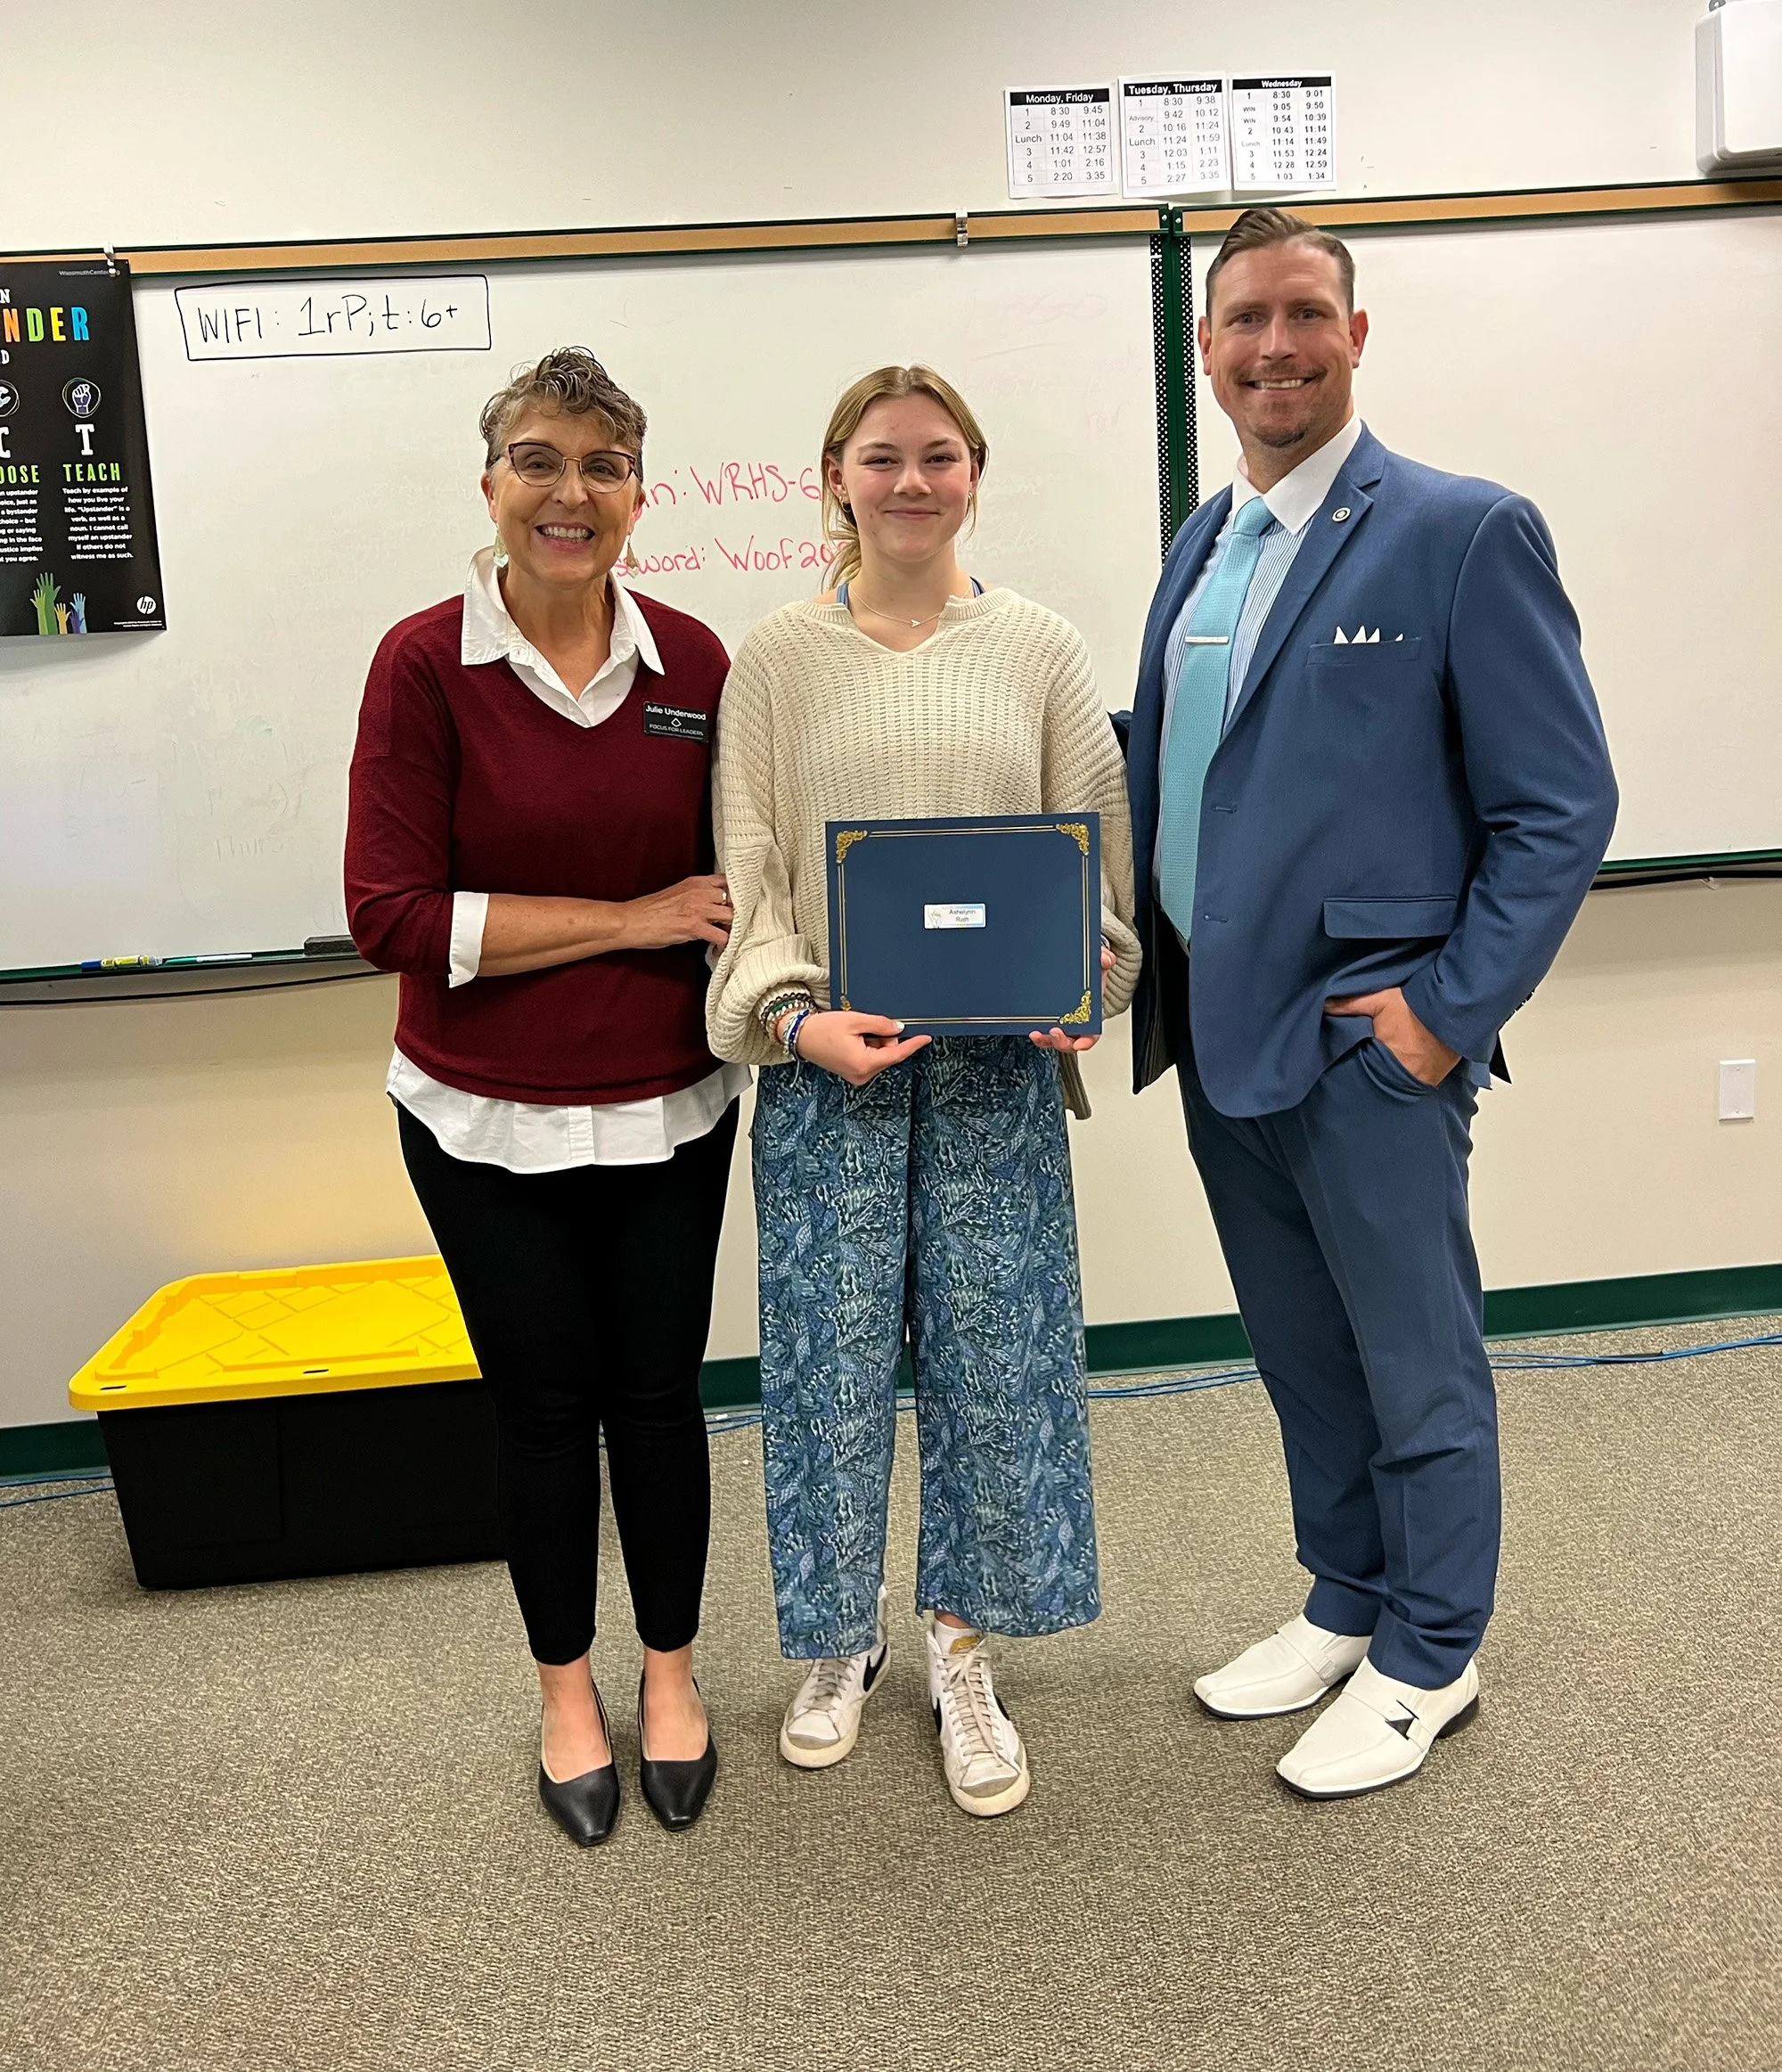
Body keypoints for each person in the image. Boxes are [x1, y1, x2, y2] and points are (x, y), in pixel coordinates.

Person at [1122, 209, 1618, 1798]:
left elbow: (1560, 809)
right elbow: (1189, 770)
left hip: (1367, 1049)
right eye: (1244, 321)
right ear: (1202, 352)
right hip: (1221, 1036)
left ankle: (1430, 1655)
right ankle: (1345, 1599)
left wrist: (1440, 1022)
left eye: (1303, 313)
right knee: (1299, 1354)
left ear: (1354, 329)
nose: (1274, 345)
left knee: (1416, 1363)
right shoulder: (1206, 544)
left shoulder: (1463, 532)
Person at [706, 364, 1140, 1818]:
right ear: (833, 474)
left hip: (994, 1082)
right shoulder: (774, 659)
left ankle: (963, 1644)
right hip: (831, 1072)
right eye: (880, 457)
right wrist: (794, 1017)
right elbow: (754, 870)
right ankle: (839, 1644)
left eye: (938, 456)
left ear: (976, 473)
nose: (910, 481)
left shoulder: (1039, 649)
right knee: (824, 1382)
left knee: (996, 1376)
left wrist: (1083, 993)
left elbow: (1101, 877)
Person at [345, 348, 748, 1845]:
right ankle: (565, 1691)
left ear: (638, 494)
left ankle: (671, 1676)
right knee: (539, 1410)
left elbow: (745, 881)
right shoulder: (422, 663)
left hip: (667, 1105)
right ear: (493, 483)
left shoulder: (699, 666)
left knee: (656, 1402)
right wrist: (629, 919)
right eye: (537, 460)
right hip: (480, 1113)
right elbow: (393, 914)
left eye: (598, 466)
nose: (567, 494)